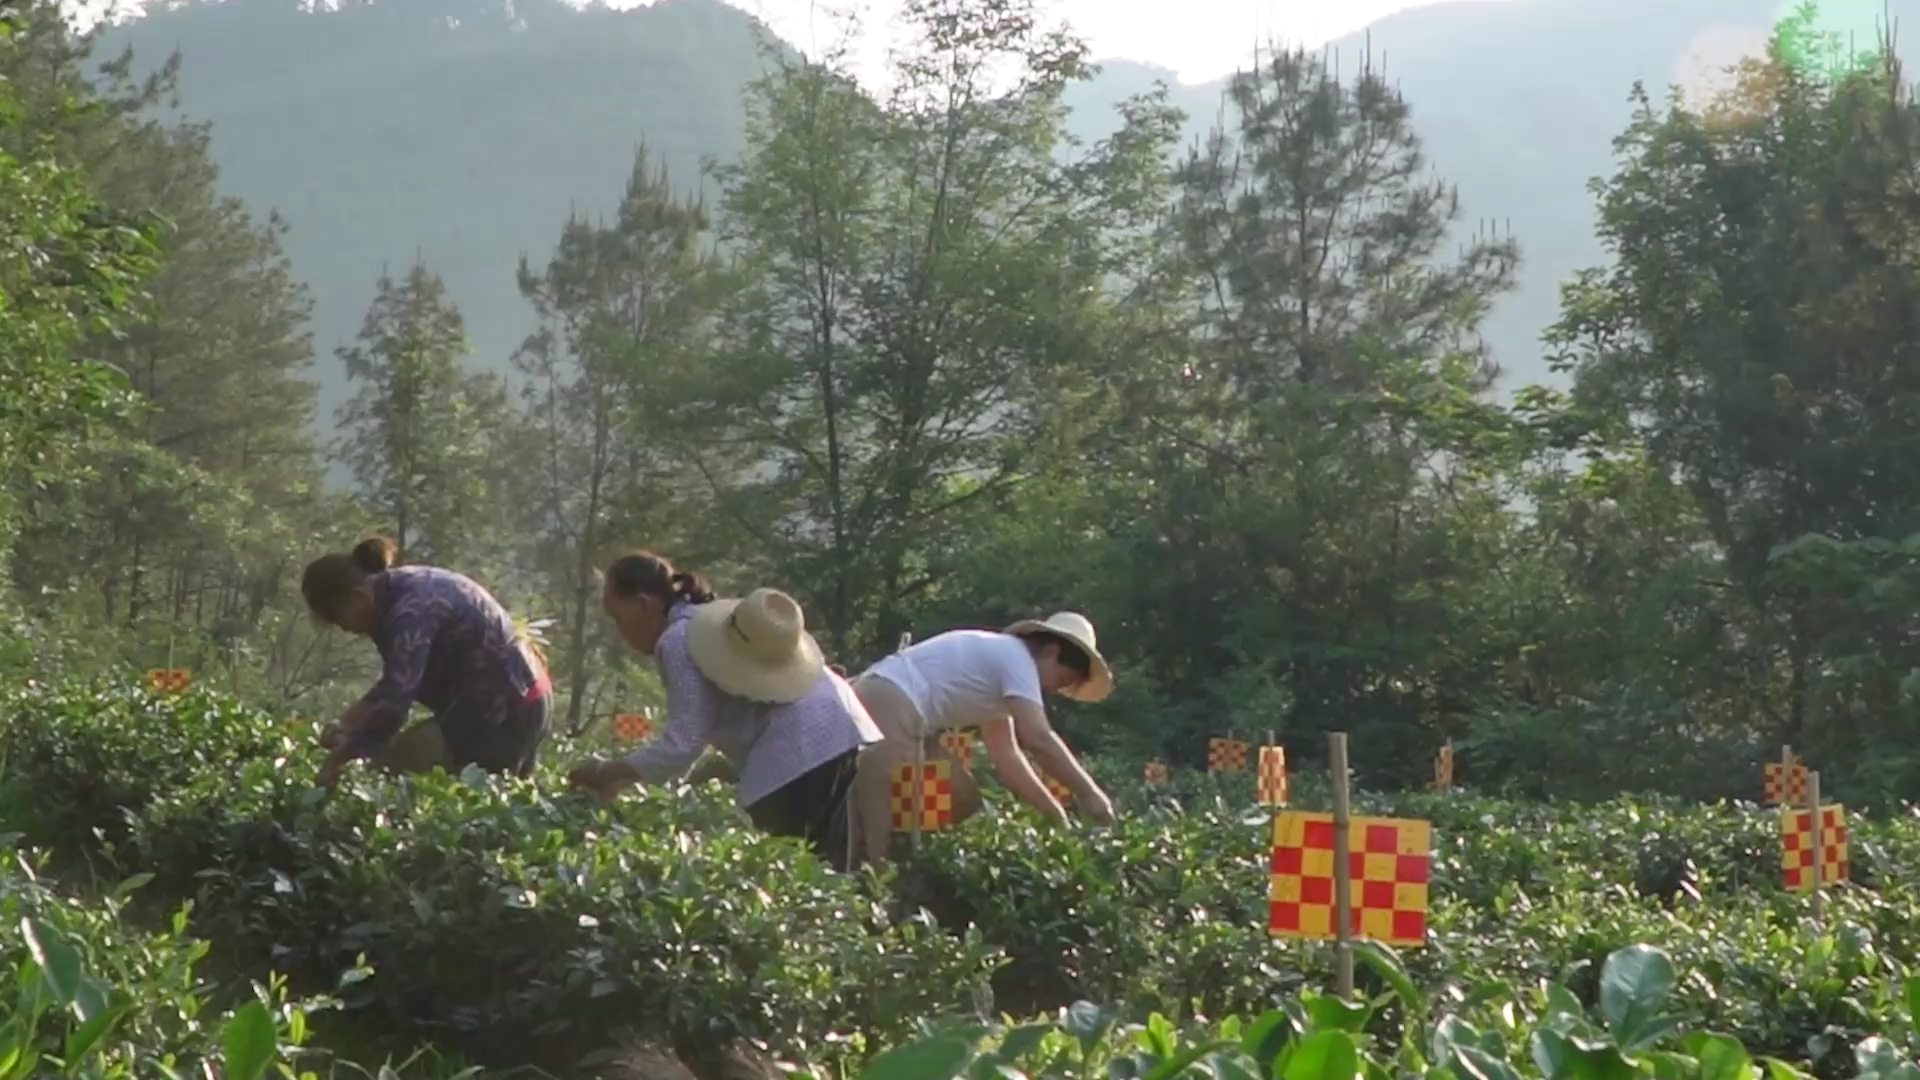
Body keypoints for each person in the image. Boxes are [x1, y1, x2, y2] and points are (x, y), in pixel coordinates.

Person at [565, 552, 881, 871]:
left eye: (618, 618)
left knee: (785, 872)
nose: (620, 632)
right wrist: (632, 776)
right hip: (838, 723)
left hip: (796, 747)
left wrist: (608, 771)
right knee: (825, 866)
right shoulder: (701, 620)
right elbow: (696, 737)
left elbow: (683, 744)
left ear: (645, 604)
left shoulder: (676, 641)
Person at [848, 612, 1117, 867]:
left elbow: (1007, 756)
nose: (1051, 690)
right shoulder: (1016, 659)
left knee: (960, 797)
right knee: (887, 829)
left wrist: (1054, 814)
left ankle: (914, 876)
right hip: (889, 702)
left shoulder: (1002, 672)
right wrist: (1089, 793)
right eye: (1060, 679)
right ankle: (876, 896)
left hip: (905, 712)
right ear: (1051, 652)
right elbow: (1039, 739)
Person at [300, 536, 552, 786]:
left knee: (394, 775)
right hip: (522, 697)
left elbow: (395, 705)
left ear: (357, 598)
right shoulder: (397, 592)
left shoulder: (410, 611)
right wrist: (345, 723)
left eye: (337, 618)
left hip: (504, 707)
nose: (343, 628)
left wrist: (338, 761)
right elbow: (394, 683)